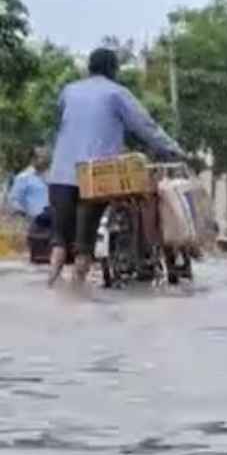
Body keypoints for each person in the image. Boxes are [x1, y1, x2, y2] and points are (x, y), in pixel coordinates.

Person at [46, 48, 186, 286]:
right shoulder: (117, 93)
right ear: (113, 70)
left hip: (60, 174)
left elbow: (62, 120)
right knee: (84, 245)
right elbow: (145, 127)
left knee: (59, 240)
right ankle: (75, 294)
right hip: (94, 176)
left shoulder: (69, 90)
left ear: (89, 67)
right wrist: (174, 149)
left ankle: (51, 285)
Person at [6, 146, 52, 264]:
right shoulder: (23, 178)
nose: (45, 159)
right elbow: (14, 200)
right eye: (42, 157)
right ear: (33, 159)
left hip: (55, 223)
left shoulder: (54, 175)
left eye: (47, 156)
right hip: (35, 224)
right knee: (39, 259)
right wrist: (27, 214)